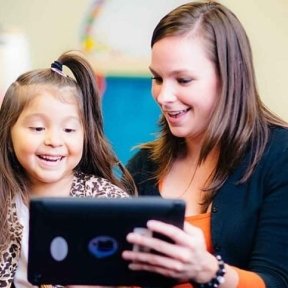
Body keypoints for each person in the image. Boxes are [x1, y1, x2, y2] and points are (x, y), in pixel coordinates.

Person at [122, 1, 288, 288]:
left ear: (229, 78)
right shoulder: (143, 166)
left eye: (183, 80)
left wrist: (210, 271)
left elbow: (277, 280)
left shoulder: (279, 155)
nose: (164, 96)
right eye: (157, 78)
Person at [0, 51, 135, 288]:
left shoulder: (106, 202)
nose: (54, 140)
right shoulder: (4, 196)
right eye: (38, 128)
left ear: (86, 136)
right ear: (8, 136)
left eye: (69, 130)